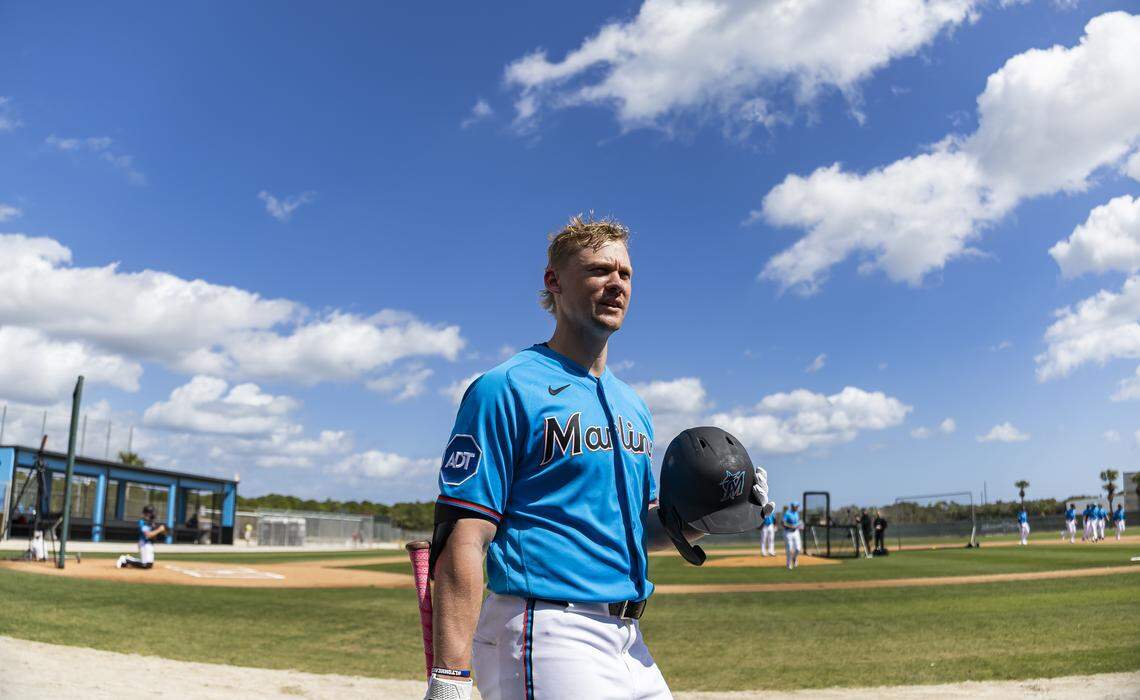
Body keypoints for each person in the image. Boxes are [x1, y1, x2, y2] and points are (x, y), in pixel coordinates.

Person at [426, 216, 768, 700]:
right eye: (599, 271)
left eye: (625, 274)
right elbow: (465, 532)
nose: (616, 285)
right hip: (545, 626)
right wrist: (451, 674)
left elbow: (640, 531)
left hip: (628, 636)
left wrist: (709, 513)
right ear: (554, 282)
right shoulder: (504, 387)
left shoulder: (632, 404)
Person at [116, 505, 166, 569]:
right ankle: (126, 559)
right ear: (147, 513)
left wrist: (163, 531)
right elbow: (148, 535)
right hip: (144, 544)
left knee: (148, 565)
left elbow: (155, 534)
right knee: (145, 565)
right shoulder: (142, 522)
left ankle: (129, 561)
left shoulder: (152, 523)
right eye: (151, 512)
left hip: (149, 544)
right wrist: (159, 530)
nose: (153, 514)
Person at [783, 502, 802, 569]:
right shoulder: (787, 513)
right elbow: (783, 523)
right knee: (789, 549)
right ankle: (789, 564)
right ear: (793, 506)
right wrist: (791, 526)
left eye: (797, 506)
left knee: (798, 549)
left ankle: (794, 558)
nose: (797, 508)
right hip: (788, 533)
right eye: (796, 506)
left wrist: (800, 526)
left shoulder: (797, 513)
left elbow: (798, 523)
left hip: (796, 532)